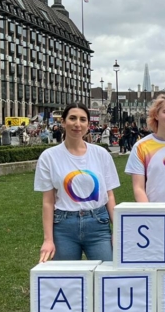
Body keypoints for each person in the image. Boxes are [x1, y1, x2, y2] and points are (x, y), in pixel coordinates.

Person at [34, 102, 119, 263]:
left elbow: (110, 195)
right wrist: (48, 240)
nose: (77, 124)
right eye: (72, 118)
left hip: (98, 224)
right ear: (63, 122)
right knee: (66, 282)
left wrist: (118, 230)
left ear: (88, 124)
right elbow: (48, 201)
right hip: (64, 226)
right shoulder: (49, 156)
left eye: (82, 119)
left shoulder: (101, 154)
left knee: (107, 279)